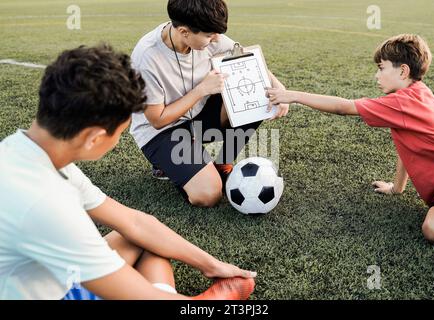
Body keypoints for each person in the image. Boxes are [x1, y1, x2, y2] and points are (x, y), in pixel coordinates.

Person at [0, 44, 256, 300]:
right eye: (121, 131)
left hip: (41, 275)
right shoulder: (45, 204)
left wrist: (211, 265)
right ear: (94, 138)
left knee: (143, 239)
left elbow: (135, 223)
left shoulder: (28, 154)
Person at [266, 34, 434, 244]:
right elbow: (409, 149)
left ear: (403, 70)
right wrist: (396, 188)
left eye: (381, 68)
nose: (376, 75)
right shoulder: (418, 94)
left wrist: (293, 95)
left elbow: (343, 107)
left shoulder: (402, 102)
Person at [130, 0, 289, 207]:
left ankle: (222, 161)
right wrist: (202, 89)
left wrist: (279, 87)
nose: (216, 39)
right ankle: (169, 165)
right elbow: (157, 120)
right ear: (184, 32)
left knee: (255, 94)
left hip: (197, 118)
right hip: (162, 132)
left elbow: (244, 55)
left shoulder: (210, 36)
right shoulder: (147, 57)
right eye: (208, 35)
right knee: (209, 195)